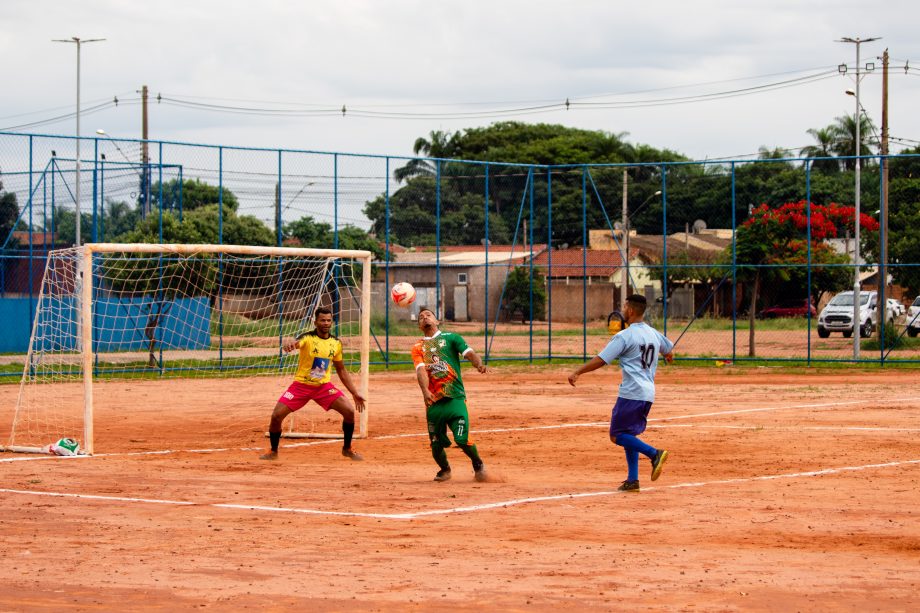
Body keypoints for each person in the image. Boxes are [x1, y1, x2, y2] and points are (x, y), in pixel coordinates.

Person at [567, 294, 674, 492]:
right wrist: (668, 356)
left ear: (631, 311)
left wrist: (577, 372)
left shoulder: (625, 336)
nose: (623, 310)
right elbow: (669, 351)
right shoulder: (653, 333)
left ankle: (654, 454)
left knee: (617, 435)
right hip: (648, 393)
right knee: (629, 433)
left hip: (631, 393)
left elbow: (601, 359)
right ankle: (632, 480)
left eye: (624, 307)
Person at [260, 306, 366, 461]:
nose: (326, 323)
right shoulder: (307, 338)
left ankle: (347, 449)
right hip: (301, 386)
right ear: (315, 322)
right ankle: (273, 451)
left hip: (323, 387)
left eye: (329, 320)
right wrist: (288, 345)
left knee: (349, 412)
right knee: (276, 416)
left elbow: (342, 370)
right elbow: (295, 343)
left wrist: (354, 393)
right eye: (322, 320)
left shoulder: (336, 343)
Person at [411, 307, 488, 482]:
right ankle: (445, 469)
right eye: (421, 317)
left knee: (462, 439)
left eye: (428, 315)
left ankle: (478, 464)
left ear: (437, 321)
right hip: (434, 401)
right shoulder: (418, 347)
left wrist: (478, 365)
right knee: (436, 444)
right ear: (419, 326)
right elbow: (421, 370)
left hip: (455, 397)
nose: (424, 318)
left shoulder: (452, 338)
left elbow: (469, 353)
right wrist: (425, 392)